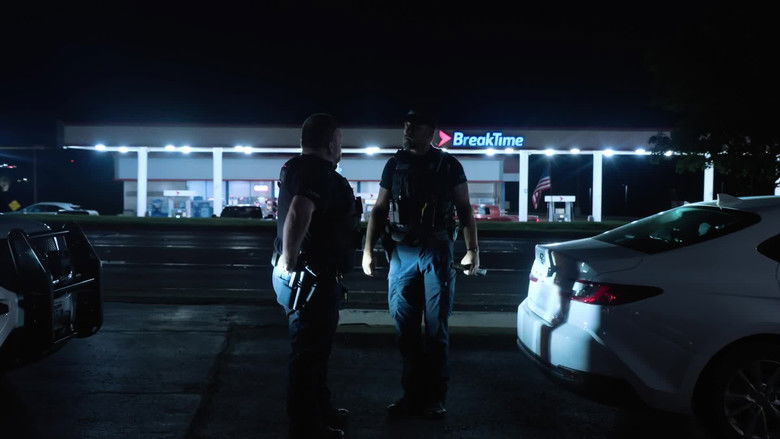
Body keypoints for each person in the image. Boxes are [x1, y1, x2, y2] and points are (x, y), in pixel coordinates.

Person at [362, 109, 481, 419]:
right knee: (406, 329)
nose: (407, 130)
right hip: (401, 252)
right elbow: (379, 209)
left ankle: (435, 398)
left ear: (431, 132)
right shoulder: (394, 164)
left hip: (436, 250)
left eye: (414, 126)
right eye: (406, 125)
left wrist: (472, 249)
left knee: (436, 329)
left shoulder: (448, 165)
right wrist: (367, 250)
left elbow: (464, 208)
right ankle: (411, 396)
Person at [271, 113, 360, 439]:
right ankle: (307, 426)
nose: (341, 148)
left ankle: (322, 410)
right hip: (313, 279)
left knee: (315, 352)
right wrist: (290, 258)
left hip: (304, 279)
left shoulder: (294, 168)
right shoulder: (319, 174)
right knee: (309, 355)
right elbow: (299, 211)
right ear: (331, 143)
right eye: (340, 141)